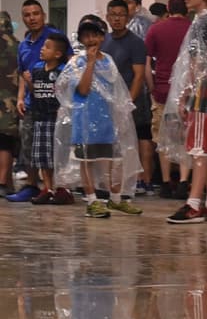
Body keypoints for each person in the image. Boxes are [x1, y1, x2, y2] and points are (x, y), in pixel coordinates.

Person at [52, 15, 143, 218]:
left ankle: (116, 198)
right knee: (86, 161)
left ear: (102, 37)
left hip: (107, 121)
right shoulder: (77, 62)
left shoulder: (109, 60)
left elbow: (117, 89)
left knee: (115, 160)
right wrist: (90, 63)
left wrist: (122, 114)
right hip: (84, 121)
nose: (91, 39)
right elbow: (83, 90)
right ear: (81, 40)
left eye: (95, 35)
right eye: (86, 36)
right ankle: (92, 200)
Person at [163, 0, 207, 224]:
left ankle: (193, 204)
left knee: (199, 150)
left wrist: (186, 93)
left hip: (203, 93)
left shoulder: (202, 23)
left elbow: (197, 62)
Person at [9, 0, 62, 202]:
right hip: (32, 103)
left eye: (36, 13)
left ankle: (55, 188)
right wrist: (20, 98)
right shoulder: (23, 45)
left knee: (52, 147)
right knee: (29, 144)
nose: (32, 18)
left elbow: (68, 66)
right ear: (23, 18)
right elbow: (24, 74)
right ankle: (31, 185)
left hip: (53, 105)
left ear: (43, 15)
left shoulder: (55, 38)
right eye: (27, 15)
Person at [101, 0, 150, 208]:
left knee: (126, 146)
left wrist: (128, 102)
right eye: (113, 15)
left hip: (127, 101)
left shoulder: (136, 43)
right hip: (106, 101)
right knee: (107, 146)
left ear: (127, 17)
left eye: (121, 15)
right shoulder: (104, 40)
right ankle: (108, 186)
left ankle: (128, 186)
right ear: (107, 17)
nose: (117, 19)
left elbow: (138, 76)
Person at [145, 0, 192, 198]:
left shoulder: (156, 29)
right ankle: (183, 181)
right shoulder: (193, 28)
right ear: (187, 9)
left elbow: (147, 64)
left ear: (168, 9)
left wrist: (152, 88)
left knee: (163, 139)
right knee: (185, 138)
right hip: (186, 92)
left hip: (162, 91)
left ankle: (165, 182)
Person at [26, 33, 74, 204]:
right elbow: (34, 91)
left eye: (47, 47)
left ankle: (63, 189)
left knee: (58, 156)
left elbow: (68, 94)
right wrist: (29, 82)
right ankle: (48, 188)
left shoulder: (63, 71)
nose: (42, 49)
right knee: (43, 156)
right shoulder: (37, 69)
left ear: (58, 54)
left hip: (56, 119)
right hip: (40, 118)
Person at [0, 14, 18, 195]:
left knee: (3, 142)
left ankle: (3, 182)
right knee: (7, 141)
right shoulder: (18, 45)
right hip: (13, 100)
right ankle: (6, 182)